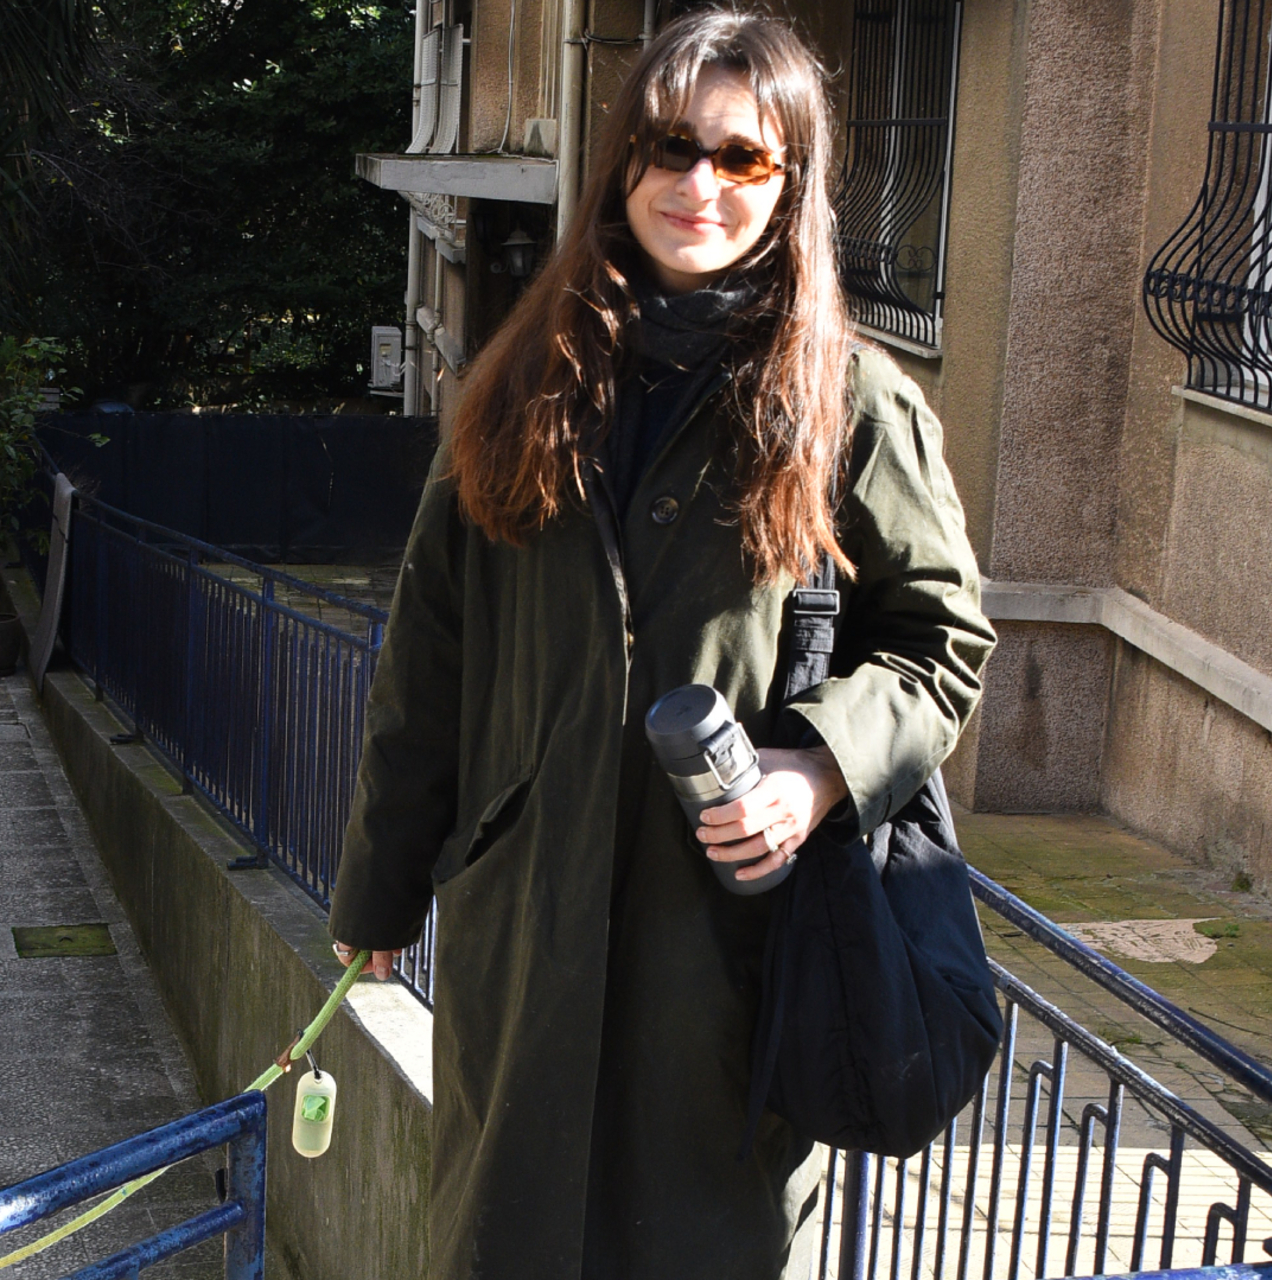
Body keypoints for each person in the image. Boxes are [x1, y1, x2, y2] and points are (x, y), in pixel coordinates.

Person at [329, 9, 996, 1279]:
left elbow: (939, 643)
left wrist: (815, 769)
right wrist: (381, 886)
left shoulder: (853, 406)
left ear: (789, 181)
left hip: (728, 953)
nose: (698, 183)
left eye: (741, 157)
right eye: (669, 147)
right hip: (527, 932)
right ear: (623, 162)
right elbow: (430, 658)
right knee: (501, 1241)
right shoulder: (518, 381)